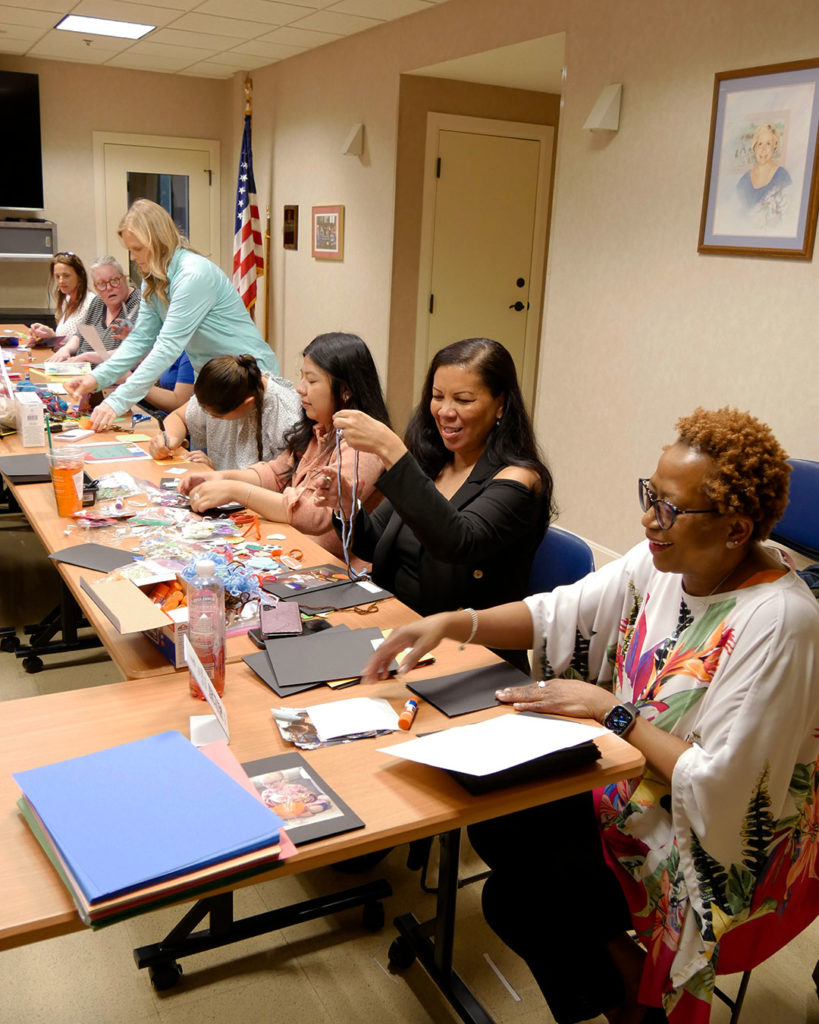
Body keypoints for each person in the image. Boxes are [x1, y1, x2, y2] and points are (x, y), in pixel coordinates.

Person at [365, 407, 819, 1024]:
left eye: (669, 508)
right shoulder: (663, 563)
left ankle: (633, 1000)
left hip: (712, 832)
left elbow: (724, 786)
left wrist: (615, 714)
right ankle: (625, 981)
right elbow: (561, 613)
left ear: (737, 529)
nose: (647, 520)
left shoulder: (780, 622)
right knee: (496, 824)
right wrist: (456, 622)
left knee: (521, 893)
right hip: (634, 777)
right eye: (649, 496)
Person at [315, 337, 553, 669]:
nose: (445, 411)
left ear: (500, 405)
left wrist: (393, 451)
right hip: (400, 629)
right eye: (437, 397)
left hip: (469, 654)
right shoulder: (435, 464)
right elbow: (372, 543)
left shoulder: (520, 479)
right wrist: (346, 504)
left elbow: (458, 542)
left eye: (463, 399)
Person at [66, 199, 279, 431]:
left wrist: (116, 402)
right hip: (215, 383)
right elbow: (139, 340)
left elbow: (167, 347)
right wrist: (96, 380)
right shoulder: (154, 280)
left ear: (157, 241)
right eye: (130, 249)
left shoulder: (192, 276)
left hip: (249, 380)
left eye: (137, 249)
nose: (133, 257)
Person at [179, 333, 389, 559]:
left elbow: (318, 514)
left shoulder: (363, 445)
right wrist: (219, 478)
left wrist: (234, 491)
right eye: (302, 378)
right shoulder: (319, 427)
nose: (300, 388)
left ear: (345, 389)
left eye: (312, 380)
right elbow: (276, 473)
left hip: (334, 570)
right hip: (296, 552)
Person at [149, 354, 301, 470]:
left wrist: (217, 474)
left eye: (216, 415)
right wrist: (170, 441)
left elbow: (279, 482)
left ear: (248, 403)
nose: (211, 417)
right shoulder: (224, 386)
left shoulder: (286, 417)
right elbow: (178, 417)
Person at [46, 256, 140, 365]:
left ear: (124, 279)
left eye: (114, 281)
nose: (109, 288)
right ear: (96, 287)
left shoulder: (138, 305)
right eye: (101, 284)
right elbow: (80, 334)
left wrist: (87, 357)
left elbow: (137, 351)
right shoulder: (98, 302)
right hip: (81, 369)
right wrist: (66, 349)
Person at [29, 252, 94, 345]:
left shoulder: (91, 303)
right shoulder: (66, 300)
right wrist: (50, 334)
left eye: (66, 276)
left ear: (80, 276)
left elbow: (91, 346)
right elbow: (65, 339)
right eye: (57, 276)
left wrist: (62, 347)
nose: (61, 281)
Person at [737, 122, 792, 213]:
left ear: (775, 146)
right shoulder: (743, 182)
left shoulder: (783, 177)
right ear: (754, 147)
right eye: (760, 144)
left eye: (768, 144)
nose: (763, 149)